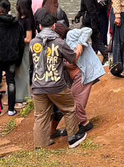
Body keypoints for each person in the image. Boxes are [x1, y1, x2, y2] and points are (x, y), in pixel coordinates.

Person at [29, 12, 86, 148]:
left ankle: (39, 146)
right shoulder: (59, 42)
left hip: (37, 85)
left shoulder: (32, 43)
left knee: (41, 116)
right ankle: (73, 138)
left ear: (40, 26)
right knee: (70, 108)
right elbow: (73, 59)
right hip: (56, 85)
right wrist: (79, 48)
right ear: (54, 26)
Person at [0, 0, 26, 113]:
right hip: (12, 57)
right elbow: (21, 43)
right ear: (9, 9)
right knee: (11, 82)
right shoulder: (17, 24)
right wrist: (18, 59)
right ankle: (11, 109)